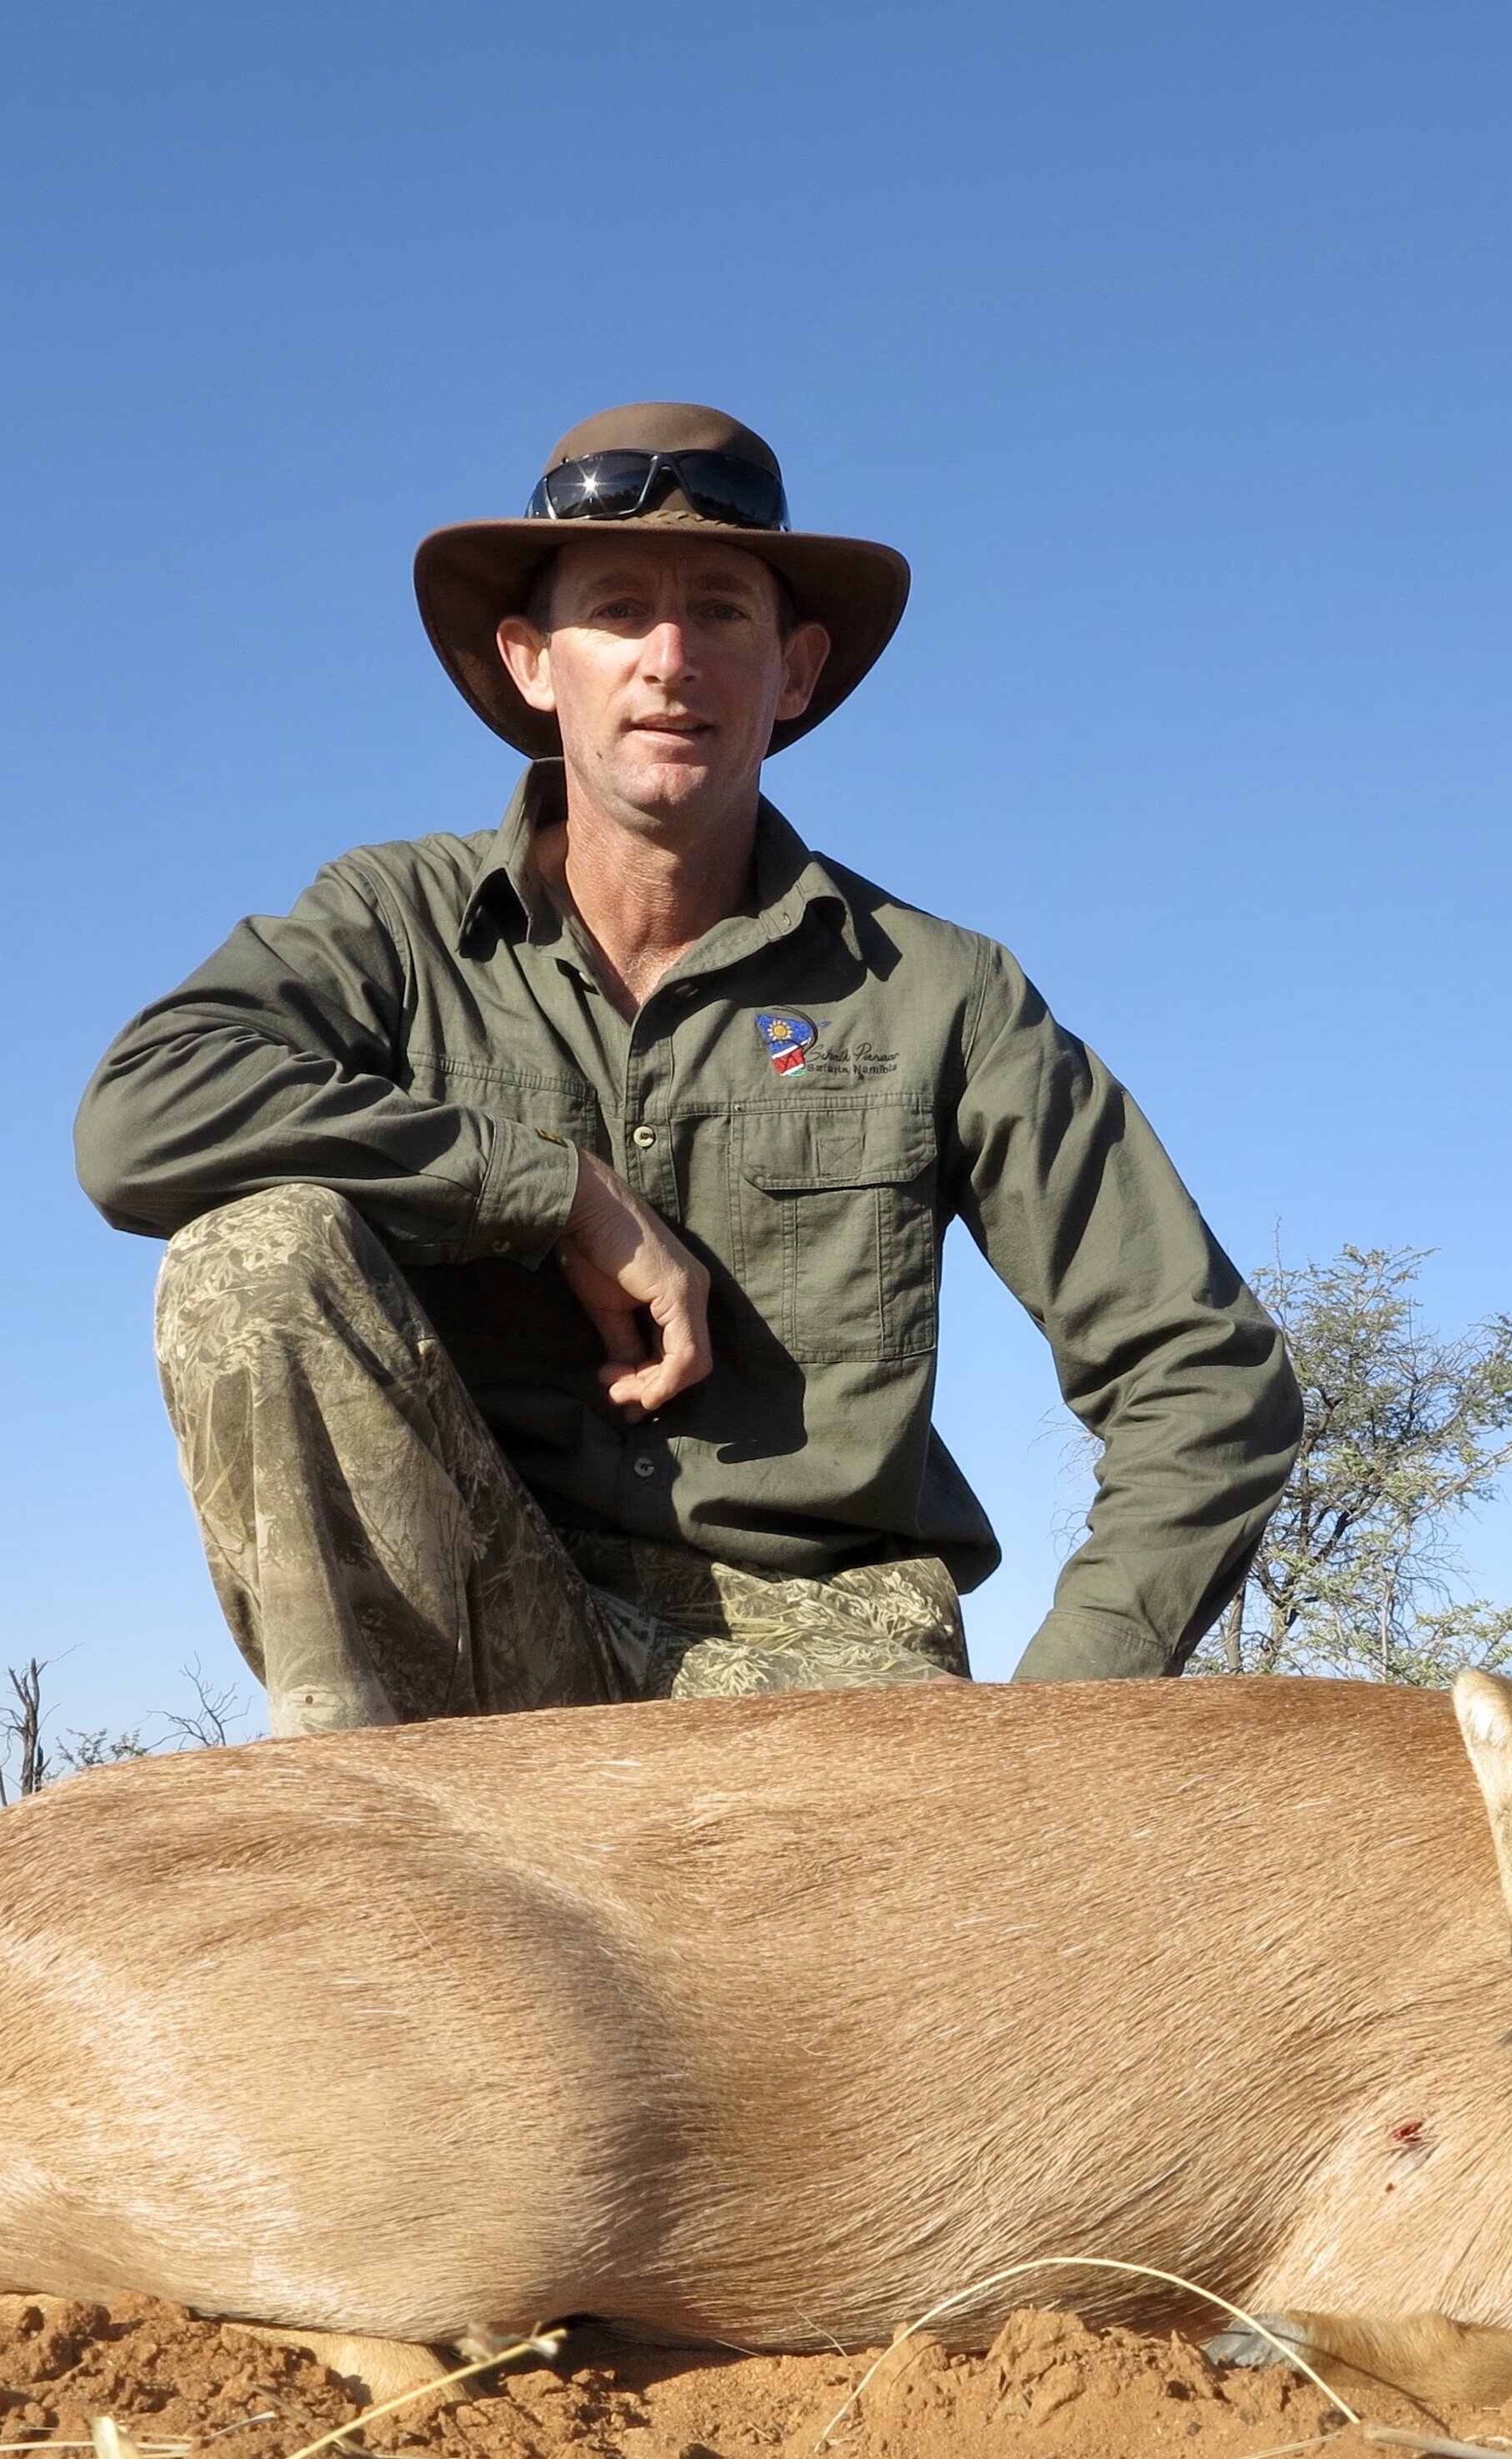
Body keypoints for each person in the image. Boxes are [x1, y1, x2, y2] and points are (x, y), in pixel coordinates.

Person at [75, 403, 1300, 1733]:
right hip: (488, 1640)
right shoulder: (393, 920)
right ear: (534, 661)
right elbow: (142, 1116)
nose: (671, 660)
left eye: (722, 612)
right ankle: (358, 1820)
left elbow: (1208, 1377)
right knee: (256, 1251)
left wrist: (1044, 1745)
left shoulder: (946, 992)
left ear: (795, 673)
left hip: (830, 1668)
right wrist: (556, 1195)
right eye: (616, 611)